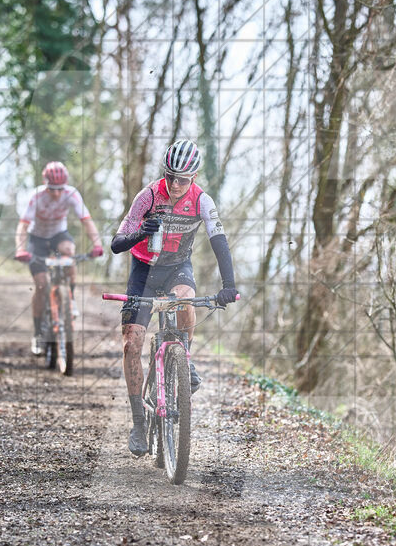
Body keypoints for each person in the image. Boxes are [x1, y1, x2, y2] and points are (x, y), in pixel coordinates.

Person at [110, 139, 238, 456]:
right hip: (144, 271)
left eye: (184, 179)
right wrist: (141, 231)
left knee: (186, 299)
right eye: (171, 176)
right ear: (164, 173)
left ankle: (185, 360)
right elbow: (116, 243)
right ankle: (139, 424)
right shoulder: (149, 196)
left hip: (177, 266)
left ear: (193, 177)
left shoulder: (202, 201)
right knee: (132, 343)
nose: (176, 184)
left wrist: (229, 284)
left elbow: (219, 240)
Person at [14, 161, 105, 355]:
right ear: (45, 184)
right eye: (52, 189)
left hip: (58, 236)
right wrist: (20, 248)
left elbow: (87, 221)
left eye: (60, 189)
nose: (56, 194)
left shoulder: (71, 194)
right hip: (37, 239)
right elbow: (22, 226)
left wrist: (97, 244)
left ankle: (69, 299)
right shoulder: (36, 196)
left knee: (69, 252)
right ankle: (38, 332)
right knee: (41, 285)